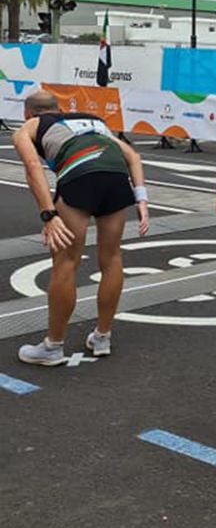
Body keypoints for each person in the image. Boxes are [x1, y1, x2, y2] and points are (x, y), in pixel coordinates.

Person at [13, 92, 150, 365]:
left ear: (27, 113)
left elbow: (32, 167)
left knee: (66, 262)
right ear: (60, 108)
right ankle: (102, 336)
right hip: (116, 177)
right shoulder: (93, 121)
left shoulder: (29, 127)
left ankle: (53, 346)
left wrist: (49, 215)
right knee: (112, 258)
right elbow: (133, 156)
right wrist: (142, 200)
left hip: (79, 175)